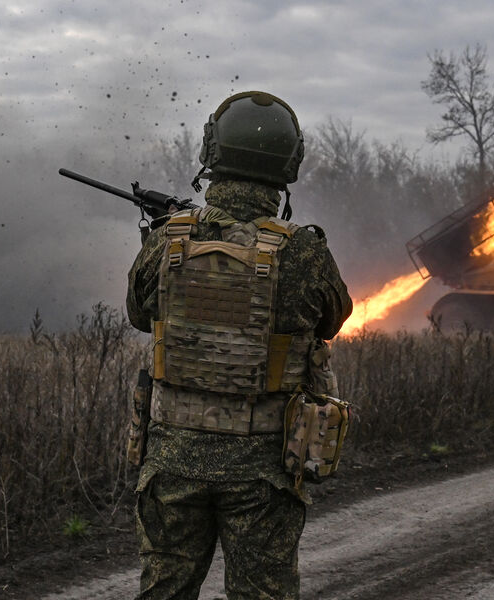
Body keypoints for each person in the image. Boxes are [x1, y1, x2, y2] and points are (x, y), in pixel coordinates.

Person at [126, 90, 352, 600]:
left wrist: (163, 237)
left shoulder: (169, 239)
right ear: (288, 165)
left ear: (212, 154)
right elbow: (334, 319)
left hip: (171, 463)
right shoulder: (303, 253)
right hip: (261, 474)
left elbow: (140, 314)